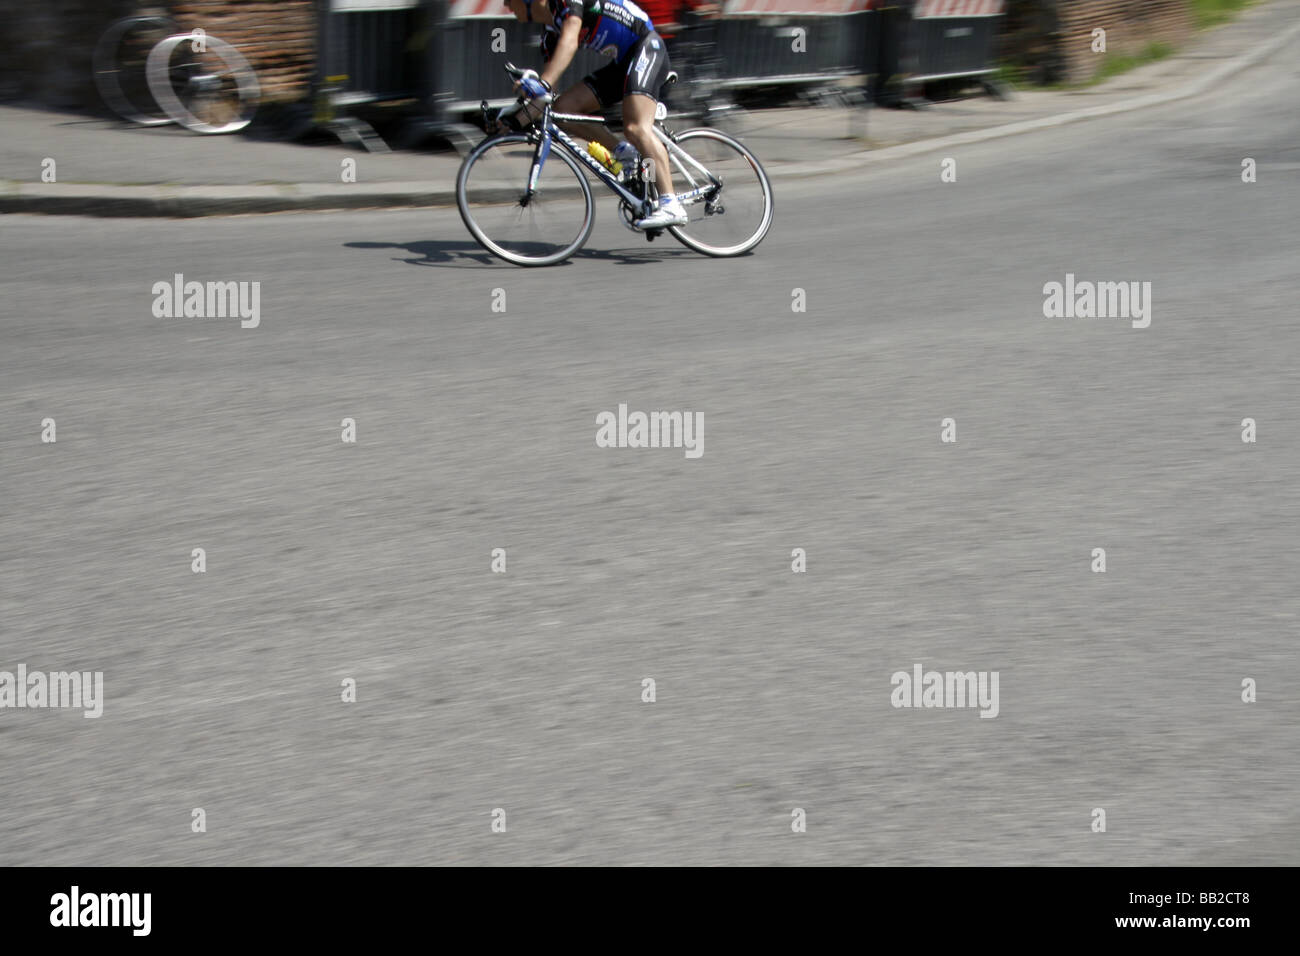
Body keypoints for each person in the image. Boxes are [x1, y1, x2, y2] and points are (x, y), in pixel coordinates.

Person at [499, 0, 687, 229]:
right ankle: (624, 153)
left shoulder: (566, 4)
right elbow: (545, 97)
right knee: (562, 109)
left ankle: (671, 204)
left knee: (635, 128)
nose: (506, 4)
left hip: (646, 47)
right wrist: (513, 121)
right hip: (624, 62)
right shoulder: (550, 35)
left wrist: (543, 83)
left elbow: (569, 41)